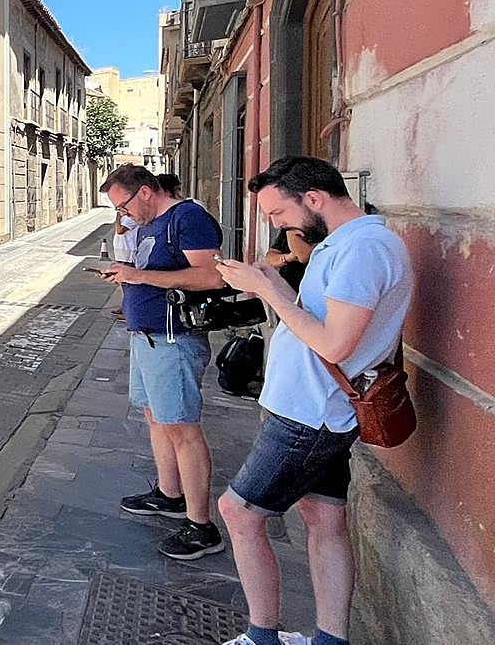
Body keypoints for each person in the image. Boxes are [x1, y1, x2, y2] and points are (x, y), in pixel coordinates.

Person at [215, 157, 413, 645]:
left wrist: (272, 290)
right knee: (324, 518)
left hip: (311, 417)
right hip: (312, 408)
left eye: (279, 214)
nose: (278, 227)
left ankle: (261, 637)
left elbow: (335, 345)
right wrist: (270, 287)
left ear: (315, 200)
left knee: (239, 512)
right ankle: (329, 640)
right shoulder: (343, 244)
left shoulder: (364, 250)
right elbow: (317, 326)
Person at [98, 165, 227, 560]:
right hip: (148, 338)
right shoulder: (151, 225)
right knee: (156, 418)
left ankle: (201, 526)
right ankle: (170, 495)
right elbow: (151, 273)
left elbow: (212, 278)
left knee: (182, 429)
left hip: (173, 340)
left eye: (123, 206)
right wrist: (128, 277)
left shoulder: (189, 219)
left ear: (146, 193)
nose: (124, 215)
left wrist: (138, 276)